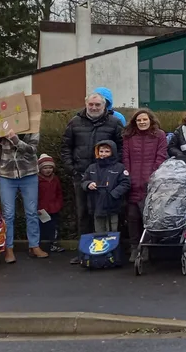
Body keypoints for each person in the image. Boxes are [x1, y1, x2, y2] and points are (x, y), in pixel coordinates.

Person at [62, 92, 125, 260]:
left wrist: (115, 169)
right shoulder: (74, 122)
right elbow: (66, 147)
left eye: (98, 105)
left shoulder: (114, 122)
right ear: (86, 104)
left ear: (104, 106)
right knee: (83, 214)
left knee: (110, 213)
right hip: (82, 176)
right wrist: (72, 169)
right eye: (91, 104)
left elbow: (122, 147)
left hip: (108, 178)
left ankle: (112, 251)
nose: (94, 107)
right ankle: (85, 252)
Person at [0, 126, 45, 263]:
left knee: (31, 212)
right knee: (8, 214)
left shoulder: (32, 126)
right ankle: (9, 248)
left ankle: (34, 245)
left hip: (29, 174)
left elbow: (32, 150)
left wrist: (15, 139)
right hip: (6, 175)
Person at [122, 109, 168, 262]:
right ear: (135, 122)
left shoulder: (159, 135)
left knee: (148, 218)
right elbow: (125, 158)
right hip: (133, 183)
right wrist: (128, 176)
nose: (142, 122)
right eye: (139, 120)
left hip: (151, 183)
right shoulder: (128, 136)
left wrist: (153, 176)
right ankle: (135, 247)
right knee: (132, 217)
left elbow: (161, 156)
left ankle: (146, 247)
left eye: (145, 119)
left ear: (150, 120)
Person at [82, 141, 131, 233]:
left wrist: (114, 194)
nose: (103, 154)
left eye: (107, 151)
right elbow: (84, 181)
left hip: (112, 205)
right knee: (99, 231)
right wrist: (88, 184)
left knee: (113, 231)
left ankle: (114, 242)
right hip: (96, 204)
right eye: (101, 151)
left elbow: (125, 183)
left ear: (113, 152)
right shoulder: (92, 167)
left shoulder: (119, 167)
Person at [37, 154, 65, 253]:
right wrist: (37, 207)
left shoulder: (55, 179)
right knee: (41, 228)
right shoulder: (37, 179)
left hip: (54, 208)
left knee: (54, 227)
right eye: (45, 168)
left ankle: (54, 244)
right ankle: (39, 246)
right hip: (42, 209)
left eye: (50, 167)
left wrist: (59, 204)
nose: (48, 170)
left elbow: (59, 192)